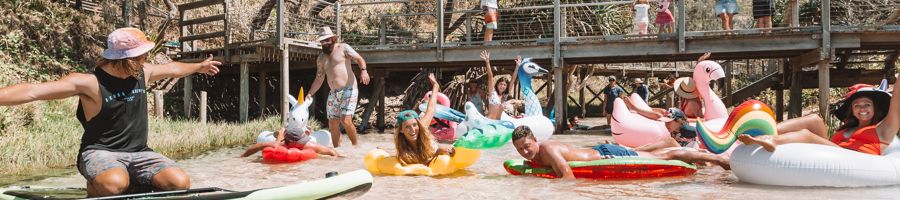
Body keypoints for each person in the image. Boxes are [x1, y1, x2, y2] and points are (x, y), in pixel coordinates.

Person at [0, 28, 220, 196]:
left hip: (140, 153)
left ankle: (132, 183)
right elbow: (33, 91)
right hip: (99, 153)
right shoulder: (89, 83)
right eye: (142, 54)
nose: (146, 58)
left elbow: (173, 68)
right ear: (128, 59)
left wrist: (199, 67)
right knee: (114, 184)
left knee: (179, 183)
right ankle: (96, 187)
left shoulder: (143, 72)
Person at [739, 79, 900, 155]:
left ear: (875, 109)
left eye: (867, 105)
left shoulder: (883, 130)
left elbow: (896, 104)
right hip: (833, 152)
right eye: (857, 105)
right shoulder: (849, 127)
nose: (862, 109)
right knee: (814, 120)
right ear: (852, 110)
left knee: (806, 135)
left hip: (850, 158)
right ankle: (764, 132)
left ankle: (772, 140)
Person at [511, 126, 729, 179]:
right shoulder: (536, 156)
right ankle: (673, 145)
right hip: (600, 151)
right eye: (520, 149)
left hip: (607, 155)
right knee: (663, 153)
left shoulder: (547, 149)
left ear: (535, 140)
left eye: (527, 145)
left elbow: (567, 176)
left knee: (667, 156)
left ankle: (718, 158)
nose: (525, 151)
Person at [307, 26, 370, 148]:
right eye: (322, 41)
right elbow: (319, 78)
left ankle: (356, 147)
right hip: (334, 93)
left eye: (326, 40)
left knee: (346, 121)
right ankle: (337, 151)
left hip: (349, 89)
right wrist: (310, 93)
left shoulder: (343, 48)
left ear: (333, 39)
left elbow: (359, 58)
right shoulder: (321, 58)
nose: (324, 43)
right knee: (332, 123)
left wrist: (364, 70)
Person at [394, 73, 455, 165]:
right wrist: (438, 152)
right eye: (407, 127)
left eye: (414, 125)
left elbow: (431, 108)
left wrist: (435, 86)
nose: (413, 130)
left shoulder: (422, 126)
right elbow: (420, 167)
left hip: (434, 151)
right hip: (431, 157)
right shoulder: (404, 150)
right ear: (401, 130)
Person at [241, 125, 339, 157]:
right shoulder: (279, 144)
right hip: (282, 137)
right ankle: (279, 132)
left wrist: (341, 157)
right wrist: (242, 157)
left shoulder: (308, 145)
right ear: (291, 142)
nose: (304, 142)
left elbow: (331, 151)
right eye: (301, 140)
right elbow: (256, 146)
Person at [481, 50, 505, 120]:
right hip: (489, 121)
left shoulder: (505, 96)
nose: (502, 86)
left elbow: (512, 80)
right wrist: (487, 62)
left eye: (504, 85)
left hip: (498, 124)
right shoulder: (492, 93)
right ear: (497, 85)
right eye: (501, 84)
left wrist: (517, 67)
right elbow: (490, 77)